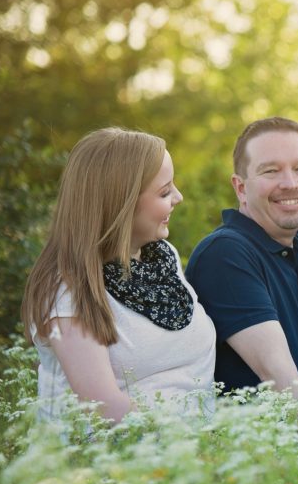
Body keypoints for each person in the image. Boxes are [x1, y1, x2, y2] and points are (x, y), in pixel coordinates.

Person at [21, 128, 216, 423]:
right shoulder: (69, 289)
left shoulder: (163, 257)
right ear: (120, 204)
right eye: (164, 191)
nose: (179, 197)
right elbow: (104, 409)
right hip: (119, 461)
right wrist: (189, 448)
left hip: (196, 454)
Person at [186, 117, 298, 397]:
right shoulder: (224, 254)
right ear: (241, 188)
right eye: (271, 171)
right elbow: (281, 380)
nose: (290, 183)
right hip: (273, 438)